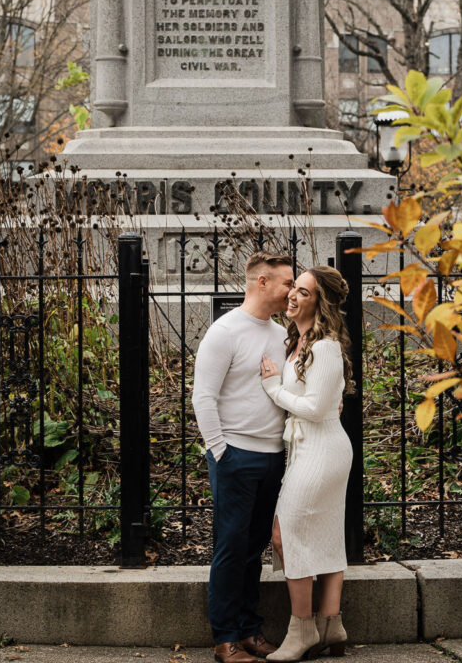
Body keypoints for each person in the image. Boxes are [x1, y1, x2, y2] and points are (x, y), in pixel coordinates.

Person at [192, 251, 295, 663]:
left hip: (272, 457)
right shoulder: (225, 331)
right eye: (287, 282)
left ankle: (251, 631)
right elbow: (203, 397)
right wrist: (221, 451)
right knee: (231, 547)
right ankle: (226, 639)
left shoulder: (280, 333)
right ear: (263, 282)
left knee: (254, 549)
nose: (292, 290)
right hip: (234, 456)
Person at [259, 267, 353, 662]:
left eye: (304, 292)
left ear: (320, 302)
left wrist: (273, 388)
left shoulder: (326, 347)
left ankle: (302, 631)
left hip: (323, 448)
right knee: (326, 533)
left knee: (285, 532)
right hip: (308, 447)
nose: (293, 296)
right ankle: (332, 624)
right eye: (293, 288)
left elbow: (315, 408)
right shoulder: (299, 342)